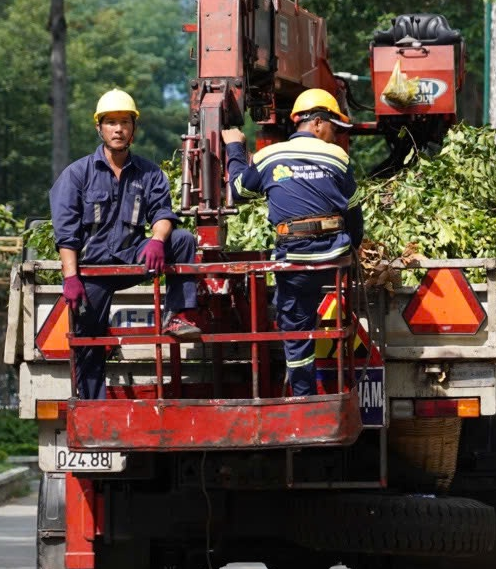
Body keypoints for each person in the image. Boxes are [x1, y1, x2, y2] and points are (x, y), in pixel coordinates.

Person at [49, 88, 200, 400]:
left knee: (182, 239)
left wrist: (157, 240)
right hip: (93, 270)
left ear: (134, 128)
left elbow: (162, 212)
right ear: (99, 128)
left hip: (134, 258)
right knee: (90, 340)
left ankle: (178, 316)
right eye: (111, 122)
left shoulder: (149, 173)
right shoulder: (77, 174)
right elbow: (66, 232)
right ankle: (93, 404)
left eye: (125, 122)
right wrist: (71, 277)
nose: (118, 129)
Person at [222, 88, 362, 397]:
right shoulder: (338, 158)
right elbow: (354, 213)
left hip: (295, 259)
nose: (335, 135)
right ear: (316, 123)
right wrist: (354, 247)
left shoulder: (270, 155)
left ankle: (304, 396)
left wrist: (234, 148)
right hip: (333, 258)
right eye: (333, 128)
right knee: (307, 310)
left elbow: (239, 190)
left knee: (295, 328)